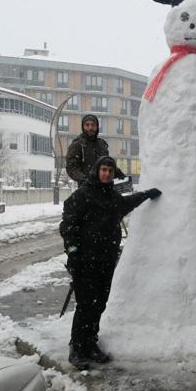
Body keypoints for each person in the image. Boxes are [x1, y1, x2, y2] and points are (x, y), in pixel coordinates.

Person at [59, 156, 162, 369]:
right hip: (84, 260)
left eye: (110, 171)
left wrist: (147, 194)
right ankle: (77, 348)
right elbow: (68, 225)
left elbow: (128, 203)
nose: (106, 174)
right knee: (85, 305)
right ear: (97, 171)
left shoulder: (113, 197)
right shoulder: (83, 195)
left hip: (105, 260)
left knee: (99, 303)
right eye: (103, 170)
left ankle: (91, 344)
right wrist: (73, 250)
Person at [66, 114, 125, 184]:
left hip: (104, 187)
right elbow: (71, 168)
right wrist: (84, 179)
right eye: (87, 125)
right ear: (83, 126)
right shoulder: (78, 145)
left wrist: (119, 174)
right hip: (86, 189)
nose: (90, 128)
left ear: (97, 127)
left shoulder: (102, 144)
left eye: (93, 125)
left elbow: (107, 164)